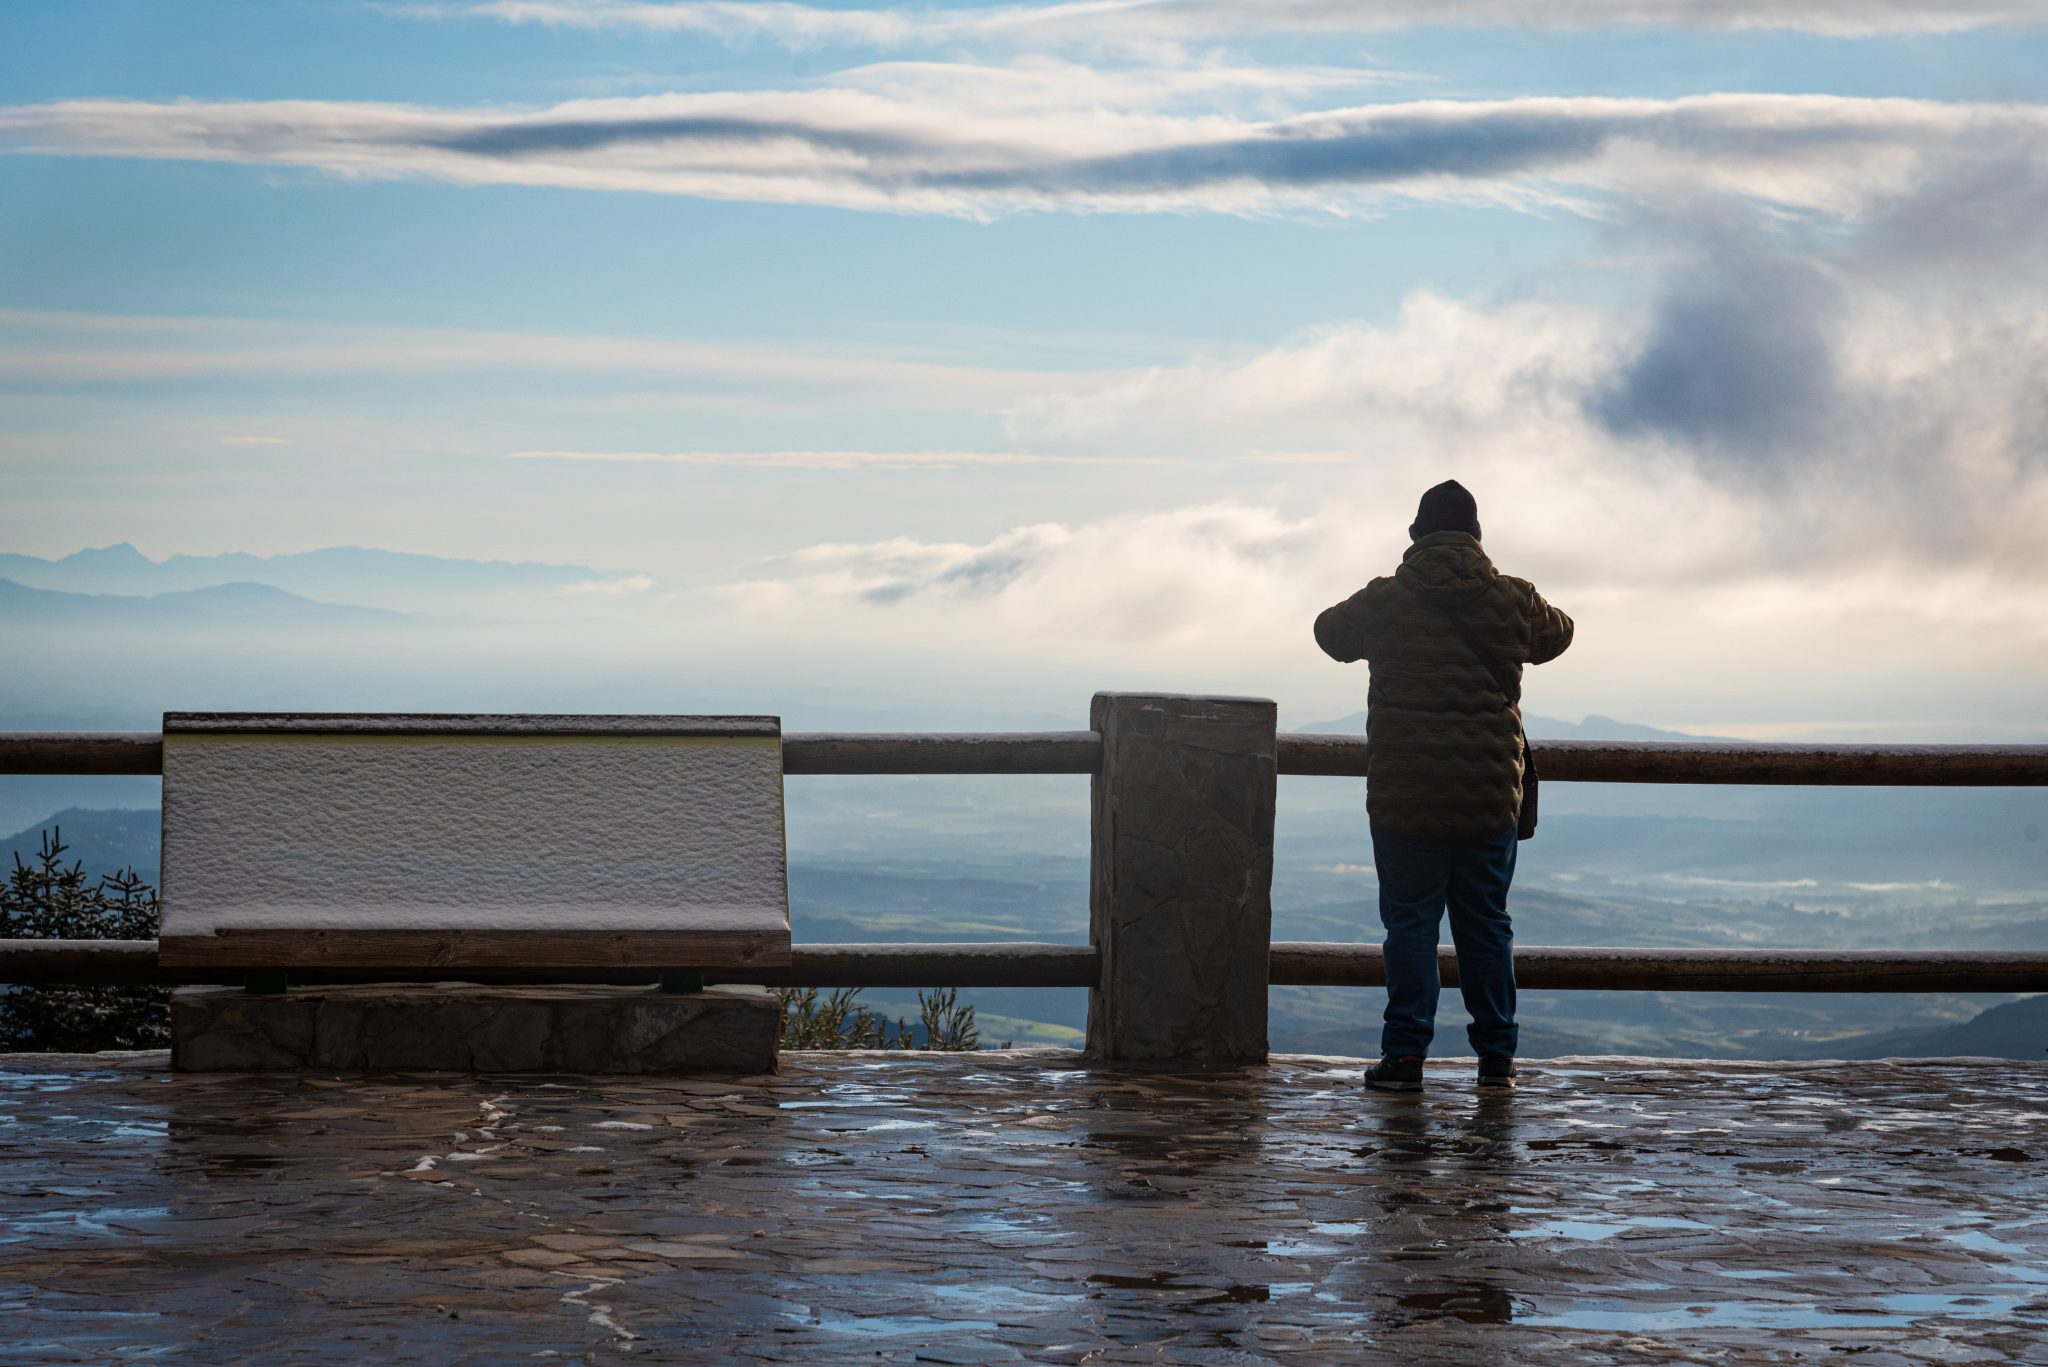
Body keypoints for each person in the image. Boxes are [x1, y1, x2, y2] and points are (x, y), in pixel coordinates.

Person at [1313, 480, 1573, 1092]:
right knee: (1486, 923)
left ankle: (1404, 1057)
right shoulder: (1513, 599)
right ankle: (1497, 1061)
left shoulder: (1386, 599)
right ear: (1478, 537)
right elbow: (1558, 634)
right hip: (1487, 795)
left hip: (1406, 793)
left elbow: (1330, 634)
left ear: (1415, 536)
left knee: (1411, 925)